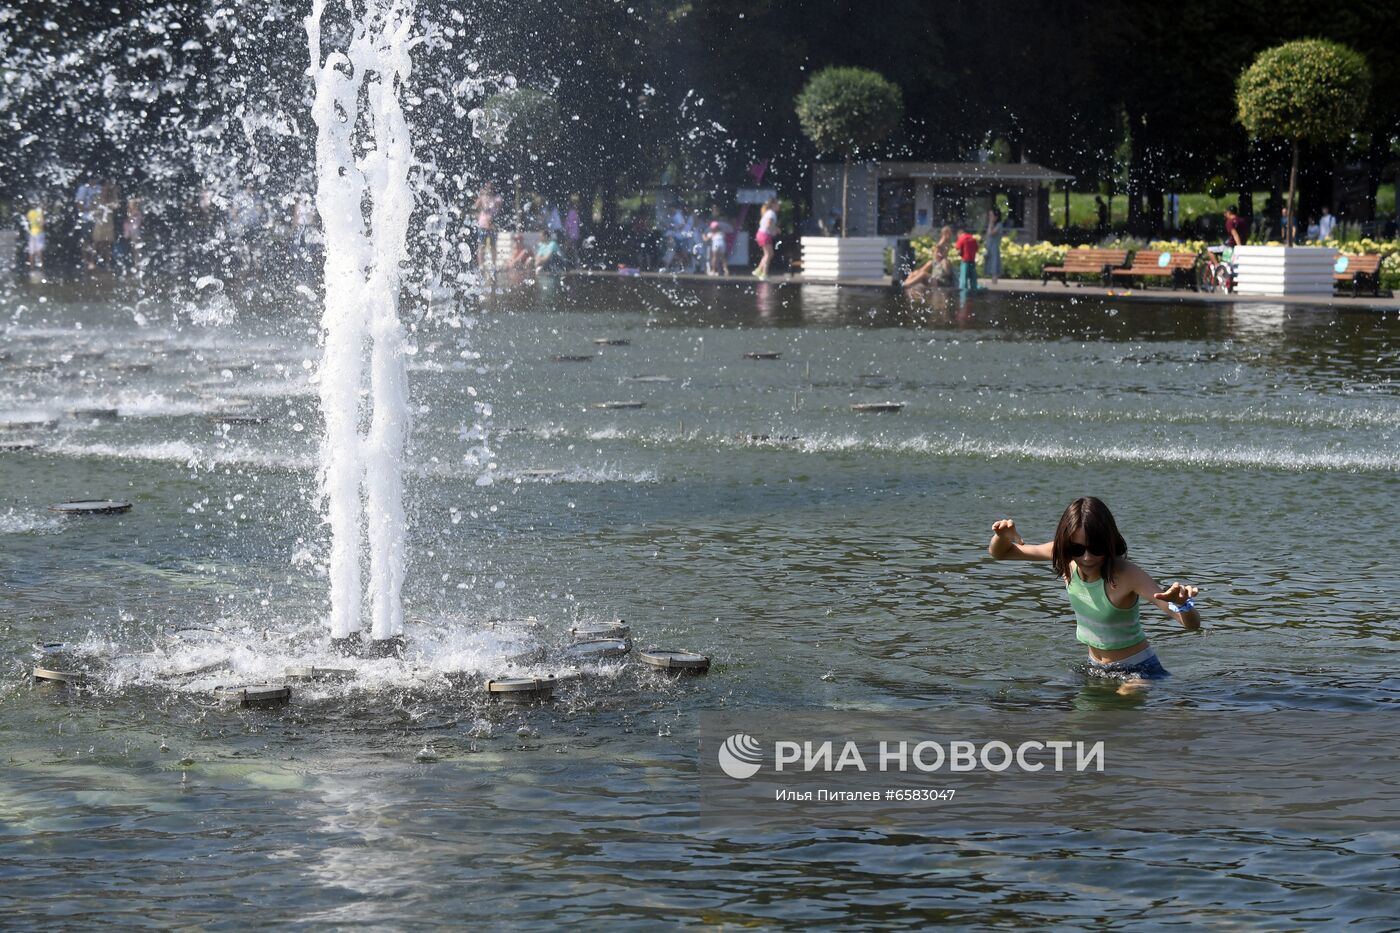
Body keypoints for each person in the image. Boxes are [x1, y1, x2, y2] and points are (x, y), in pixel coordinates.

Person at [987, 497, 1202, 691]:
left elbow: (1191, 625)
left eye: (1096, 547)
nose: (1087, 557)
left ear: (1109, 543)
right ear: (1065, 544)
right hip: (1095, 668)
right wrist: (1002, 537)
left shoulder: (1127, 574)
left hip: (1139, 672)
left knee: (1118, 710)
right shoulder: (1066, 557)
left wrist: (1183, 605)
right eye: (1078, 549)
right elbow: (1001, 553)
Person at [474, 182, 501, 270]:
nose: (489, 190)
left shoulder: (497, 198)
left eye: (490, 188)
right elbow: (476, 206)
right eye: (487, 188)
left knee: (493, 246)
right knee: (481, 246)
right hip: (483, 224)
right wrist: (482, 196)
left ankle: (494, 265)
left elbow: (498, 207)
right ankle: (481, 266)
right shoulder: (482, 197)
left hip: (492, 226)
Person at [753, 197, 779, 280]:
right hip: (764, 234)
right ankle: (763, 273)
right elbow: (768, 224)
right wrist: (776, 229)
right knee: (769, 254)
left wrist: (773, 230)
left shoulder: (768, 212)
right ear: (773, 205)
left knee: (768, 254)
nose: (779, 206)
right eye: (777, 204)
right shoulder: (771, 213)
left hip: (761, 234)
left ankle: (759, 270)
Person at [954, 225, 979, 290]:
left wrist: (960, 254)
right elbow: (976, 248)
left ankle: (963, 295)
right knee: (973, 279)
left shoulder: (961, 238)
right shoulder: (973, 239)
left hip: (965, 261)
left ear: (959, 234)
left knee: (963, 279)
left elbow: (958, 250)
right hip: (972, 262)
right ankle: (974, 292)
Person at [984, 208, 1004, 284]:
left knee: (994, 264)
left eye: (991, 215)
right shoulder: (992, 225)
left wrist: (990, 223)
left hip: (994, 247)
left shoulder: (999, 225)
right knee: (989, 264)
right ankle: (992, 281)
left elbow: (991, 233)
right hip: (989, 247)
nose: (990, 217)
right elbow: (987, 236)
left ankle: (994, 281)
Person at [24, 200, 45, 272]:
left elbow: (26, 220)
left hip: (32, 233)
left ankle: (31, 268)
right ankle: (41, 267)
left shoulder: (30, 212)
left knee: (31, 251)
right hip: (39, 233)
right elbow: (42, 223)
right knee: (39, 250)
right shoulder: (39, 212)